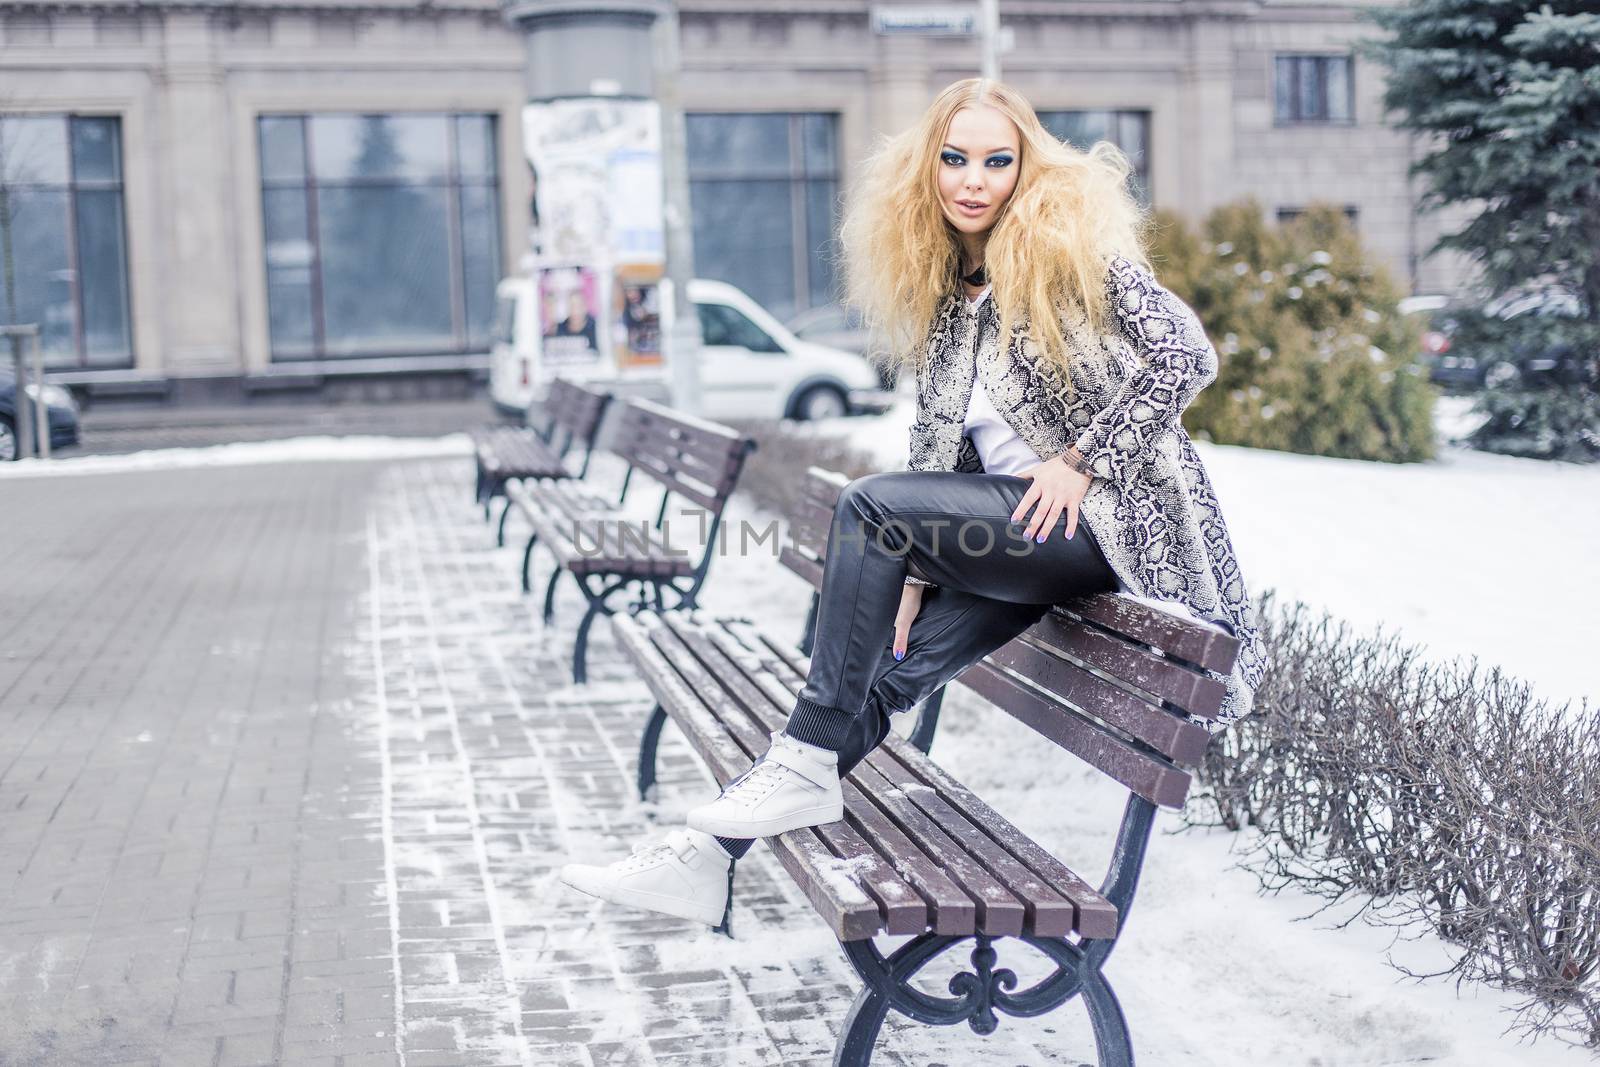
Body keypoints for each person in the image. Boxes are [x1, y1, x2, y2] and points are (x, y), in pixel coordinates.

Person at [557, 76, 1269, 928]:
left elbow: (1184, 355)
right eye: (955, 159)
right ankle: (704, 858)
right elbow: (936, 452)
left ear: (1026, 169)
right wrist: (917, 576)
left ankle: (799, 760)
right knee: (887, 676)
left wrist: (1082, 460)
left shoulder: (1071, 256)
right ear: (926, 172)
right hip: (1019, 540)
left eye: (997, 161)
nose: (975, 179)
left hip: (1109, 533)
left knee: (870, 509)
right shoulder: (947, 302)